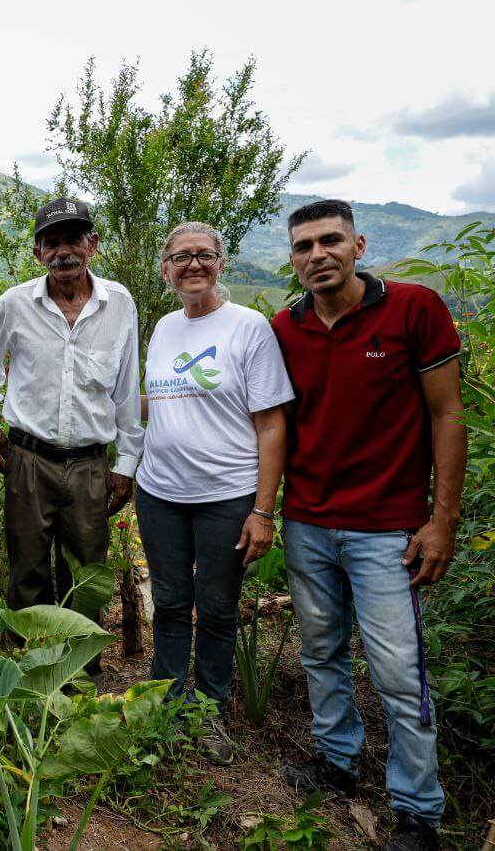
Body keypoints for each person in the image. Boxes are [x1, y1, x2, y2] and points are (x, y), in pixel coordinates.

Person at [272, 200, 464, 851]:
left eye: (330, 240)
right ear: (293, 257)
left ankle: (417, 812)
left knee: (397, 669)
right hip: (307, 520)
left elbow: (447, 416)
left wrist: (442, 519)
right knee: (321, 652)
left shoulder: (414, 309)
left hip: (387, 526)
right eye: (304, 245)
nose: (317, 254)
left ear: (359, 243)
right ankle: (337, 764)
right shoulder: (285, 326)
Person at [134, 222, 293, 765]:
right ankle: (166, 703)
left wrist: (263, 510)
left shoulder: (248, 328)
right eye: (181, 257)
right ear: (166, 270)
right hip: (159, 491)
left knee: (219, 606)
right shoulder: (162, 327)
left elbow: (272, 423)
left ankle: (207, 711)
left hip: (227, 494)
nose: (193, 264)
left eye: (204, 255)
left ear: (221, 263)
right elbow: (158, 400)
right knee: (172, 602)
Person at [0, 198, 143, 645]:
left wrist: (125, 465)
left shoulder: (120, 304)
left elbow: (126, 387)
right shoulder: (14, 304)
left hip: (89, 464)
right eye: (51, 243)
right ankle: (30, 674)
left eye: (73, 239)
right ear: (37, 253)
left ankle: (80, 678)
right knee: (27, 571)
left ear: (93, 244)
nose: (63, 251)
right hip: (27, 459)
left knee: (85, 574)